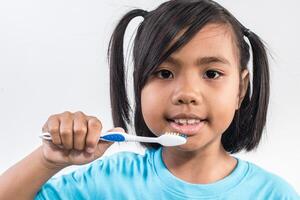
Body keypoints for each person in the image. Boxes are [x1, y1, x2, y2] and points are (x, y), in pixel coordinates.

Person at [0, 0, 299, 199]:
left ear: (240, 89)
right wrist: (47, 161)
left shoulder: (275, 195)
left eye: (211, 73)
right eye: (164, 73)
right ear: (138, 84)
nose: (186, 94)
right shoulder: (107, 182)